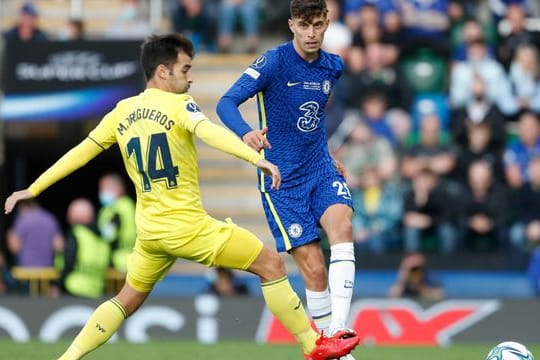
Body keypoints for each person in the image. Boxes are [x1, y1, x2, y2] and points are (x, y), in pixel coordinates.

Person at [4, 33, 359, 360]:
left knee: (126, 299)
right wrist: (257, 158)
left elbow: (79, 153)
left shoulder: (121, 112)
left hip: (150, 234)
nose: (190, 78)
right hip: (187, 228)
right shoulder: (179, 106)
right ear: (163, 71)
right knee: (271, 263)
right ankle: (313, 344)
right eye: (185, 69)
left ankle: (68, 358)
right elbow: (210, 133)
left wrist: (32, 189)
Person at [217, 1, 358, 355]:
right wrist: (247, 133)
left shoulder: (333, 66)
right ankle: (332, 349)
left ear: (327, 24)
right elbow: (225, 103)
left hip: (320, 168)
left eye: (318, 25)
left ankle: (339, 328)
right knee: (314, 269)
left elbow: (312, 120)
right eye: (304, 25)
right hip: (282, 180)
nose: (311, 33)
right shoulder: (274, 62)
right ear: (292, 25)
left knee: (342, 225)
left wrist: (326, 155)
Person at [54, 198, 110, 299]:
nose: (67, 216)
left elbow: (69, 262)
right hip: (97, 290)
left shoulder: (77, 233)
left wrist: (57, 285)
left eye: (70, 213)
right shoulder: (103, 238)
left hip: (73, 289)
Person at [6, 199, 64, 267]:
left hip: (27, 270)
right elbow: (59, 246)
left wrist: (9, 234)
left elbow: (14, 247)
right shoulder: (50, 219)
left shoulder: (22, 220)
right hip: (48, 270)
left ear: (23, 206)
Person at [97, 173, 136, 272]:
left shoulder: (117, 208)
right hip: (132, 259)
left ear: (116, 188)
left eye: (103, 188)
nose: (101, 192)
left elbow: (109, 235)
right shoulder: (129, 205)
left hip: (118, 262)